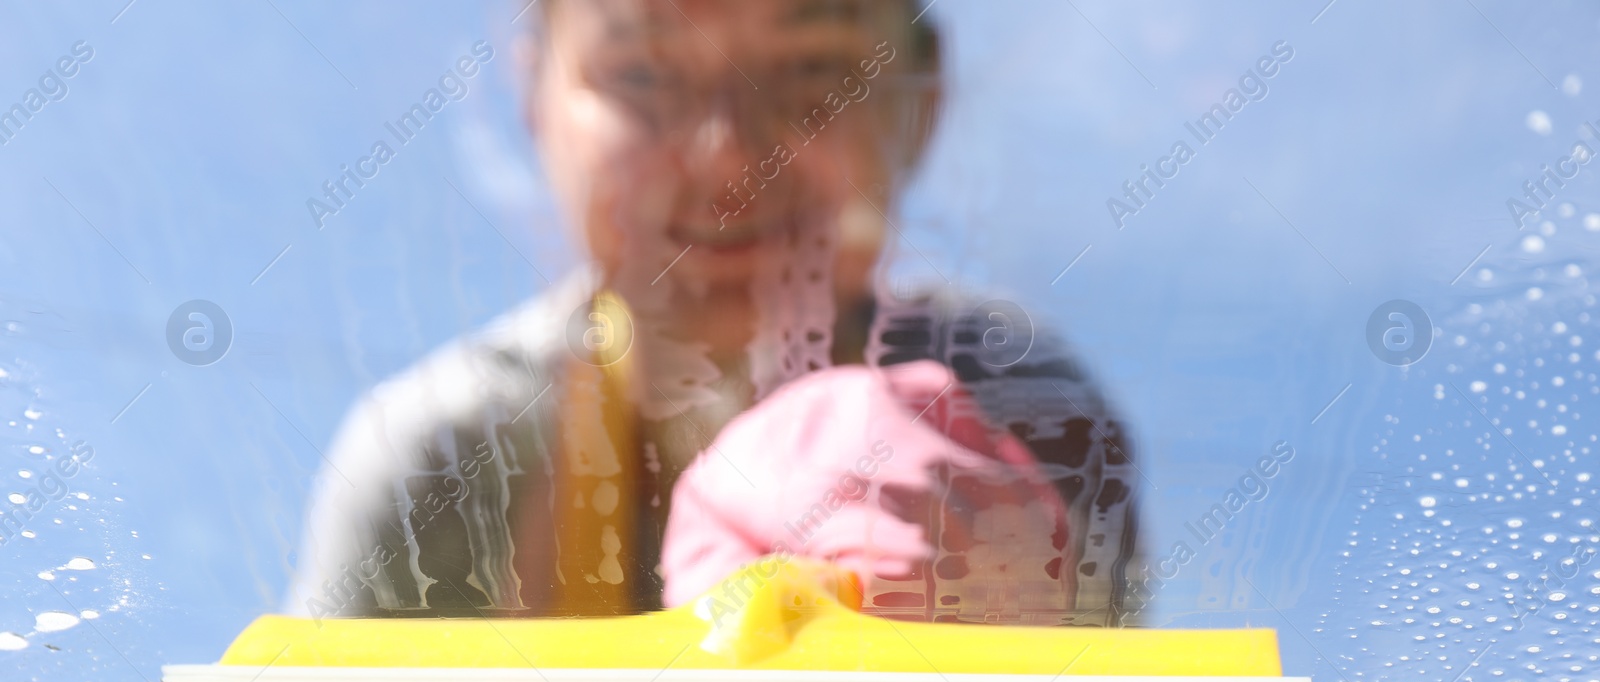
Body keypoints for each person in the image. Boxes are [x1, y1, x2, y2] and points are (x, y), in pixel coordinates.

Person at [286, 0, 1141, 629]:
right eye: (647, 76)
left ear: (920, 102)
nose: (730, 157)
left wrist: (1024, 623)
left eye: (815, 73)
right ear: (535, 96)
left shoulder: (1021, 416)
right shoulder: (443, 471)